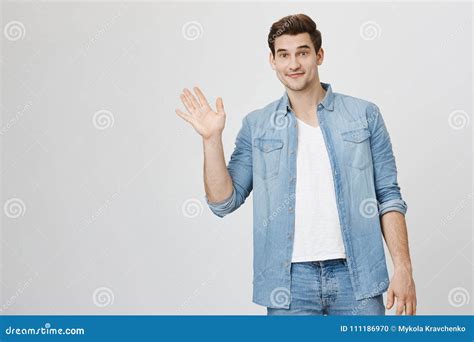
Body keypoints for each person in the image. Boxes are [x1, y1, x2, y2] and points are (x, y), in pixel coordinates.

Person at [175, 13, 416, 316]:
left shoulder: (364, 115)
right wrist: (211, 140)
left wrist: (403, 268)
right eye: (284, 55)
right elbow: (224, 202)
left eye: (302, 52)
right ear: (272, 61)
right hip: (288, 285)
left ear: (319, 55)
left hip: (358, 279)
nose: (293, 64)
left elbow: (388, 196)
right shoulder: (258, 125)